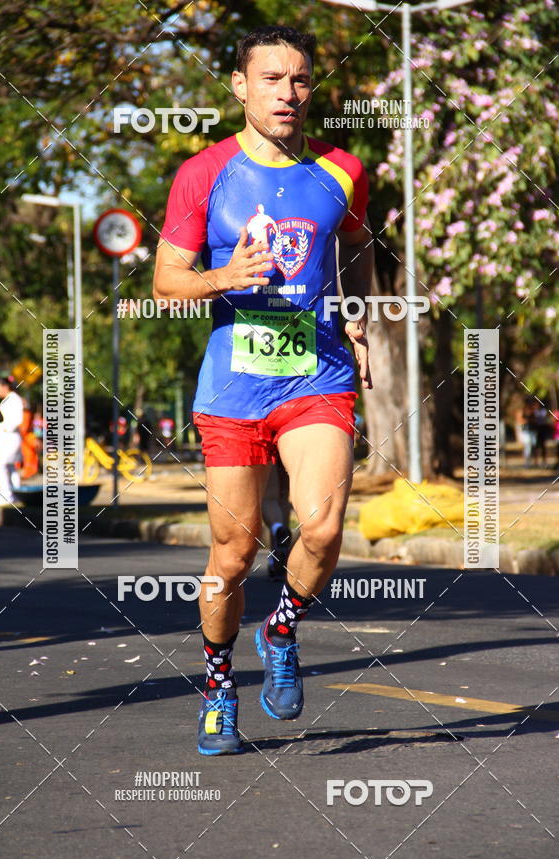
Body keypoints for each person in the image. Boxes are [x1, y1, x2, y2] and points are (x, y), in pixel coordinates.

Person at [153, 25, 373, 756]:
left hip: (317, 373)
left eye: (300, 80)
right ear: (241, 87)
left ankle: (281, 629)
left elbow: (356, 248)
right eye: (272, 79)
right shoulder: (202, 173)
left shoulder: (342, 169)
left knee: (322, 524)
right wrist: (223, 277)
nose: (288, 93)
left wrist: (363, 321)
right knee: (231, 554)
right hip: (235, 386)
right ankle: (218, 685)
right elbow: (166, 281)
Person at [0, 376, 24, 505]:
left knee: (2, 465)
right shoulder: (9, 399)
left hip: (10, 436)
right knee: (9, 466)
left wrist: (4, 427)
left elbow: (17, 420)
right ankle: (14, 493)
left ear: (5, 386)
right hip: (6, 436)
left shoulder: (14, 399)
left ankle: (8, 495)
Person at [262, 460, 292, 580]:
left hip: (266, 443)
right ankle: (277, 557)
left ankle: (277, 528)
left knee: (269, 497)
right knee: (283, 496)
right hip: (288, 443)